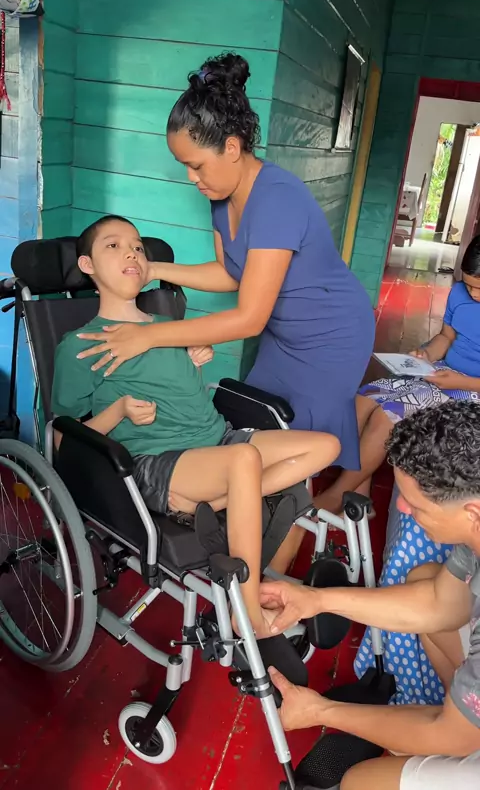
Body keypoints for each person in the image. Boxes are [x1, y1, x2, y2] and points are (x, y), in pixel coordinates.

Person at [74, 53, 375, 492]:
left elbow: (249, 318)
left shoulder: (276, 200)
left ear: (232, 147)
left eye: (196, 164)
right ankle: (255, 510)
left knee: (295, 448)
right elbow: (231, 272)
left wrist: (148, 336)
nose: (190, 177)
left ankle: (308, 516)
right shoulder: (221, 195)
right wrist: (154, 268)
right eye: (184, 166)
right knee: (255, 422)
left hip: (330, 336)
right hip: (283, 335)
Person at [51, 215, 341, 640]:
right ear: (87, 265)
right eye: (113, 245)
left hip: (217, 441)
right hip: (158, 460)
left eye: (137, 246)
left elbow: (178, 385)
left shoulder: (170, 328)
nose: (131, 252)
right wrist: (118, 412)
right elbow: (62, 437)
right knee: (244, 460)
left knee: (325, 446)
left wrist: (190, 361)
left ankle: (223, 497)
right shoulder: (81, 345)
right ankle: (248, 613)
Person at [259, 401, 480, 790]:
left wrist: (321, 710)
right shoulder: (474, 534)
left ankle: (463, 726)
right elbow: (439, 602)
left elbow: (450, 738)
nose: (402, 508)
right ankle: (466, 711)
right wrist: (316, 599)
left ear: (472, 513)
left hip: (456, 736)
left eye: (416, 504)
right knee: (425, 578)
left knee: (360, 781)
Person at [316, 232, 480, 516]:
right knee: (363, 398)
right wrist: (426, 355)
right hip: (443, 373)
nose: (474, 294)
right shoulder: (458, 293)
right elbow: (446, 337)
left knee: (387, 415)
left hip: (471, 389)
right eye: (469, 285)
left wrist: (460, 382)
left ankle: (336, 495)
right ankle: (359, 496)